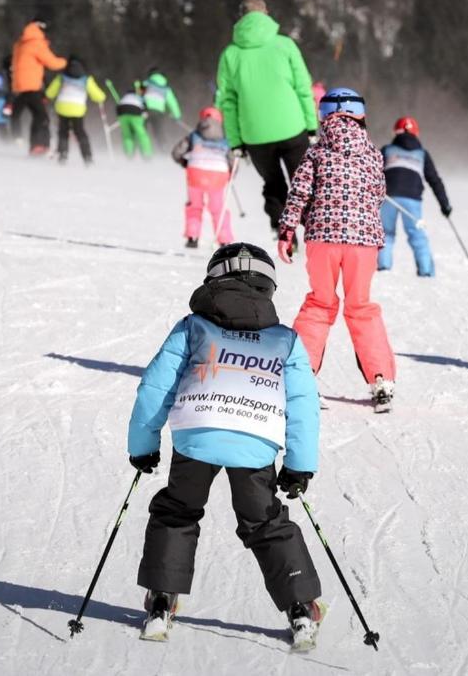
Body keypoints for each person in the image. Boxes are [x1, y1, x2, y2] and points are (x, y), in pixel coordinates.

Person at [127, 242, 326, 649]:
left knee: (177, 512)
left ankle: (162, 600)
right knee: (266, 522)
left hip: (196, 435)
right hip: (254, 441)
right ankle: (300, 606)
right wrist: (299, 464)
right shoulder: (284, 339)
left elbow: (155, 387)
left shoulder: (192, 327)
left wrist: (143, 444)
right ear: (268, 288)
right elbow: (304, 404)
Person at [276, 88, 396, 411]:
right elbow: (379, 193)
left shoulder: (316, 152)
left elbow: (299, 192)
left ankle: (300, 378)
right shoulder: (372, 153)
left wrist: (287, 230)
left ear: (324, 116)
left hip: (323, 238)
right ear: (360, 115)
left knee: (320, 304)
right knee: (361, 306)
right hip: (363, 243)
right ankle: (381, 378)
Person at [215, 0, 318, 235]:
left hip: (255, 134)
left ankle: (283, 230)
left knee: (273, 183)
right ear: (267, 13)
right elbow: (303, 87)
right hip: (293, 127)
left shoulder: (230, 54)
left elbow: (227, 102)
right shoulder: (285, 45)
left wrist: (236, 141)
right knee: (302, 181)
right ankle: (313, 229)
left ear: (241, 16)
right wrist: (312, 126)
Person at [378, 116, 451, 277]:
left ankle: (383, 267)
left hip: (388, 197)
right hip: (412, 199)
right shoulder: (422, 154)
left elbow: (373, 173)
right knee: (417, 235)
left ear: (395, 133)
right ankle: (425, 271)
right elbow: (434, 180)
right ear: (416, 134)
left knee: (385, 233)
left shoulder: (387, 150)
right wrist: (445, 205)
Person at [170, 107, 235, 249]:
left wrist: (185, 162)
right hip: (218, 174)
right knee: (218, 208)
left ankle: (192, 237)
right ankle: (224, 240)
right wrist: (231, 175)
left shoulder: (194, 135)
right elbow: (232, 159)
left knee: (195, 206)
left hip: (196, 172)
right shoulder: (226, 137)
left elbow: (176, 152)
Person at [10, 19, 67, 155]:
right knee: (42, 117)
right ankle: (40, 145)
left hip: (19, 85)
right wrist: (66, 62)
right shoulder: (36, 43)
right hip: (32, 85)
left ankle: (26, 141)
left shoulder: (20, 43)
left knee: (32, 114)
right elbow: (52, 62)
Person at [44, 56, 106, 165]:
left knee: (63, 132)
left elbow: (50, 93)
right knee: (80, 132)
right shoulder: (86, 80)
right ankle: (87, 156)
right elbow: (99, 96)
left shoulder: (61, 78)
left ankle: (62, 154)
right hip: (78, 109)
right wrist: (100, 97)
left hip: (62, 107)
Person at [141, 68, 182, 151]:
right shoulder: (165, 88)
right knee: (159, 133)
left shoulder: (145, 84)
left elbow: (138, 96)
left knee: (142, 132)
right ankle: (163, 151)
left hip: (145, 110)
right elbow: (172, 103)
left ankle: (142, 152)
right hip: (158, 112)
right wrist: (177, 116)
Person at [115, 82, 152, 159]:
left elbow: (118, 107)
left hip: (122, 111)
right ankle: (146, 153)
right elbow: (145, 109)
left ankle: (129, 154)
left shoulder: (125, 97)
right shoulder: (139, 97)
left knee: (127, 135)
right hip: (135, 111)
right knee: (141, 134)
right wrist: (144, 115)